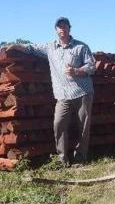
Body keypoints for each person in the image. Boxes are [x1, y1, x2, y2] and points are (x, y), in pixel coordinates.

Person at [7, 17, 95, 166]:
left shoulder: (81, 47)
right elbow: (31, 48)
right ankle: (62, 159)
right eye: (59, 26)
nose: (62, 29)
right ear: (56, 30)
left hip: (83, 93)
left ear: (69, 28)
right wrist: (15, 45)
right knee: (59, 124)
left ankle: (80, 157)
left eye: (64, 26)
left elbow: (91, 66)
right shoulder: (50, 47)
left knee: (83, 126)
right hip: (62, 95)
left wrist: (77, 71)